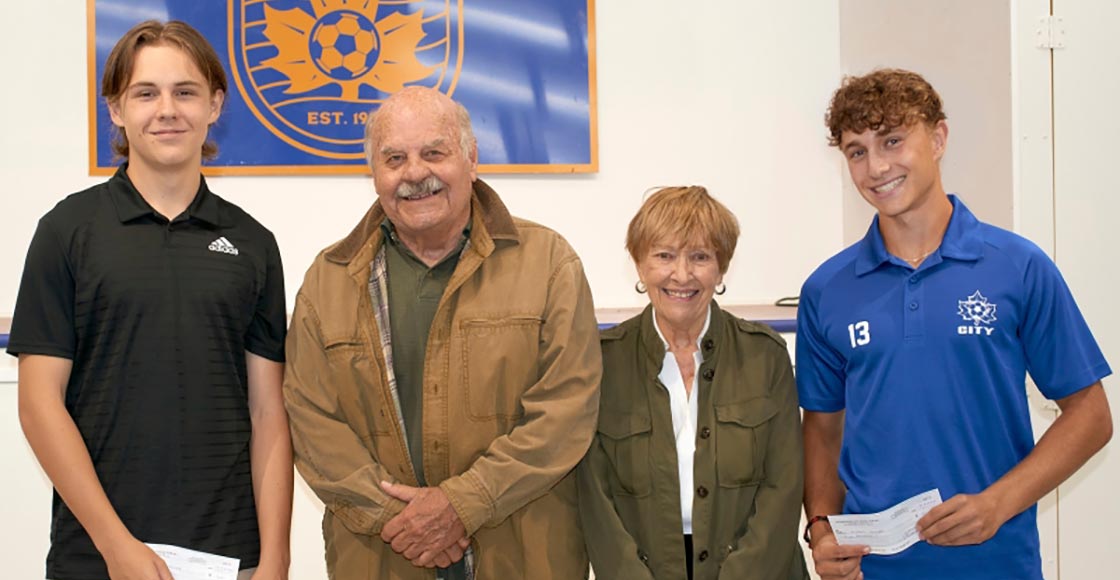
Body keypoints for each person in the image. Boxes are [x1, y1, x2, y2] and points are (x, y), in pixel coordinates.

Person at [797, 68, 1113, 580]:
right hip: (872, 570)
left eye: (893, 141)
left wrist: (997, 504)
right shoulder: (825, 290)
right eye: (857, 151)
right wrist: (821, 529)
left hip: (996, 564)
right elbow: (824, 431)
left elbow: (1091, 416)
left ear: (939, 138)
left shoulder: (1019, 267)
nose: (876, 167)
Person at [10, 20, 292, 580]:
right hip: (97, 557)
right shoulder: (67, 231)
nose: (167, 110)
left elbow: (269, 414)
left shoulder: (254, 244)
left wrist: (276, 559)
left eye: (185, 92)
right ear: (116, 109)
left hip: (228, 558)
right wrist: (117, 546)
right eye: (146, 93)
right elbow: (40, 404)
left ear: (214, 106)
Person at [282, 86, 602, 579]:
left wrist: (463, 504)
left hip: (523, 558)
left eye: (434, 152)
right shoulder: (327, 280)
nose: (415, 173)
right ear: (374, 173)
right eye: (395, 158)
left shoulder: (549, 263)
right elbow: (311, 422)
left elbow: (566, 410)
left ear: (471, 159)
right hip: (384, 559)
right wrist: (403, 522)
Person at [577, 186, 808, 580]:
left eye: (700, 257)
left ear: (721, 268)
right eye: (664, 255)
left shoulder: (765, 356)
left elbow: (783, 488)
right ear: (639, 265)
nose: (681, 275)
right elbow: (593, 498)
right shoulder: (601, 361)